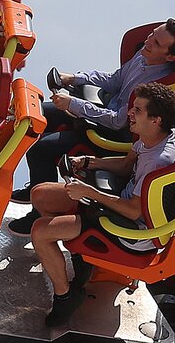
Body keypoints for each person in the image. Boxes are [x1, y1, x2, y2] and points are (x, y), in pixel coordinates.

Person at [17, 82, 175, 327]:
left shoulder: (159, 160)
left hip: (131, 229)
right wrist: (90, 162)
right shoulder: (150, 137)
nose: (129, 114)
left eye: (138, 111)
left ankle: (66, 296)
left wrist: (89, 192)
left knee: (40, 231)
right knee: (40, 194)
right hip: (119, 204)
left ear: (156, 120)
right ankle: (81, 257)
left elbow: (134, 210)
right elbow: (125, 165)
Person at [11, 20, 175, 221]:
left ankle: (38, 214)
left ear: (170, 56)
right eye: (152, 34)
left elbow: (118, 121)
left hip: (112, 131)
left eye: (157, 43)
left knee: (41, 148)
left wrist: (73, 104)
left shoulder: (156, 87)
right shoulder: (143, 56)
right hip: (100, 113)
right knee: (37, 115)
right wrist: (73, 78)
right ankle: (36, 189)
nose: (148, 41)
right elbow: (115, 80)